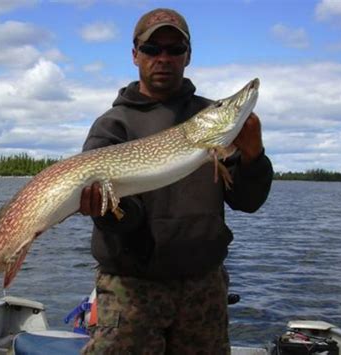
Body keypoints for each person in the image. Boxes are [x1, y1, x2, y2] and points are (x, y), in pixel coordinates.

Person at [79, 8, 273, 355]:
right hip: (131, 290)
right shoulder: (112, 125)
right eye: (153, 50)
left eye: (174, 49)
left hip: (204, 287)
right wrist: (107, 209)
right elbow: (121, 220)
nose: (163, 58)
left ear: (188, 56)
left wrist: (254, 157)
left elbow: (248, 200)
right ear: (135, 54)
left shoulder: (209, 121)